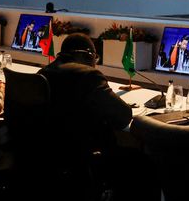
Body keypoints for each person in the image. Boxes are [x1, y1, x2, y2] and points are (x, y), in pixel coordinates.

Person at [39, 33, 154, 201]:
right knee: (144, 163)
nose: (95, 64)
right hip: (85, 159)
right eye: (94, 58)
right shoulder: (87, 75)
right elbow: (123, 116)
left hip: (48, 158)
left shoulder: (44, 73)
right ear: (87, 55)